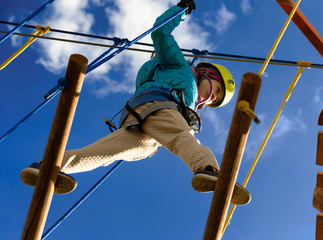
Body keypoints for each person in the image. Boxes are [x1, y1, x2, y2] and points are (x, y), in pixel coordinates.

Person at [21, 0, 250, 205]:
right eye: (216, 90)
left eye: (215, 100)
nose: (211, 98)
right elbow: (161, 32)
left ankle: (49, 166)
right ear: (206, 74)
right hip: (158, 108)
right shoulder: (181, 68)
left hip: (141, 125)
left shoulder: (186, 101)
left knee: (102, 153)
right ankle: (208, 169)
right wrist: (181, 10)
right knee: (183, 137)